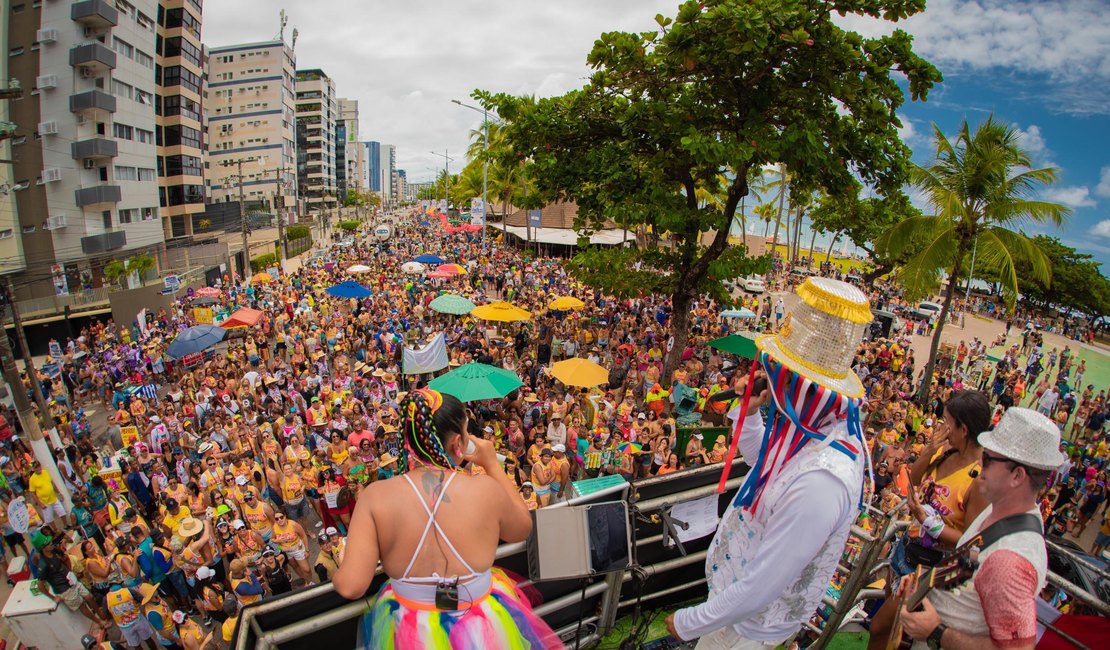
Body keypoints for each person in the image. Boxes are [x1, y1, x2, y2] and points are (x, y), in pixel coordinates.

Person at [666, 277, 871, 648]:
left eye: (777, 369)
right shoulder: (809, 430)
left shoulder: (823, 479)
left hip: (747, 629)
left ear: (799, 382)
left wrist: (689, 621)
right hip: (732, 607)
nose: (767, 376)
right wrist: (748, 413)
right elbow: (761, 459)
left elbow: (762, 586)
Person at [333, 389, 562, 649]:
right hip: (479, 626)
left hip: (408, 628)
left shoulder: (374, 497)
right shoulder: (484, 489)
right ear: (458, 443)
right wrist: (492, 464)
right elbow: (522, 528)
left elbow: (350, 586)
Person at [900, 408, 1063, 650]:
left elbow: (1017, 647)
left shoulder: (1009, 560)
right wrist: (923, 581)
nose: (978, 464)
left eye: (988, 459)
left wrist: (937, 633)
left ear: (1017, 476)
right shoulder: (1003, 509)